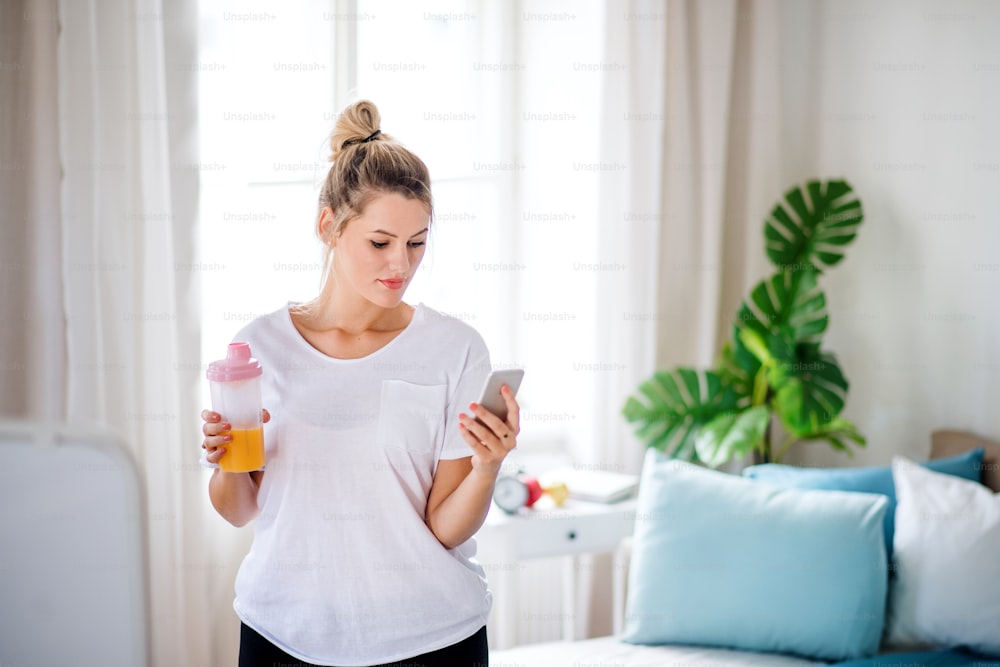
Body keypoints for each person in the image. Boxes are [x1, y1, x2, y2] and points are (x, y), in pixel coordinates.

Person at [200, 99, 520, 667]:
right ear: (328, 226)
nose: (400, 263)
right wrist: (227, 459)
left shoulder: (455, 350)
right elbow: (238, 510)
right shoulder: (260, 349)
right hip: (283, 635)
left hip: (433, 638)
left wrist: (487, 467)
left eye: (417, 242)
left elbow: (444, 529)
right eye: (380, 242)